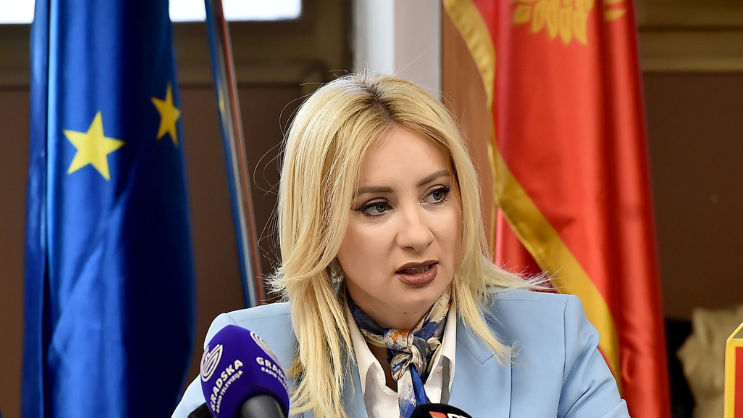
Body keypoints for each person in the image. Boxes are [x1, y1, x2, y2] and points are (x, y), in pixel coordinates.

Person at [172, 73, 630, 418]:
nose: (417, 235)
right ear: (321, 226)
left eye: (437, 194)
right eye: (376, 206)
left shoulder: (555, 337)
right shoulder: (252, 355)